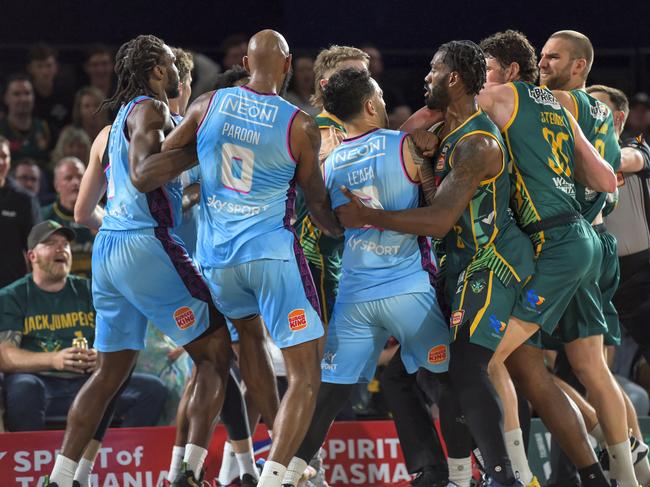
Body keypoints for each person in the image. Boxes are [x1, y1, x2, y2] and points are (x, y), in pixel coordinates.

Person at [334, 41, 537, 486]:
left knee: (463, 367)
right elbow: (410, 164)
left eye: (433, 69)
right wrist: (421, 154)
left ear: (454, 79)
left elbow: (441, 220)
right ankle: (440, 474)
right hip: (455, 264)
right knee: (402, 379)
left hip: (490, 260)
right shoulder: (448, 131)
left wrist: (369, 216)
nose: (425, 76)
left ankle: (504, 477)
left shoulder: (478, 143)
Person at [146, 29, 342, 487]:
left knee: (246, 342)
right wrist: (341, 226)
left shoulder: (206, 105)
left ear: (247, 60)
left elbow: (162, 163)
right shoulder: (299, 123)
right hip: (272, 258)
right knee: (306, 376)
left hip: (216, 262)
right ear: (289, 64)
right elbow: (316, 202)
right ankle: (278, 477)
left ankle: (208, 468)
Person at [45, 35, 232, 487]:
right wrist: (205, 148)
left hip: (109, 248)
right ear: (154, 71)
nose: (175, 70)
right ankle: (188, 472)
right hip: (145, 243)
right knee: (216, 351)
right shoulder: (152, 109)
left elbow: (89, 209)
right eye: (169, 64)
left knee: (110, 373)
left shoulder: (114, 125)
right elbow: (144, 174)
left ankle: (63, 476)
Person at [282, 67, 450, 486]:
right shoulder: (407, 147)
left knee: (330, 393)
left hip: (356, 295)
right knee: (447, 383)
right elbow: (437, 211)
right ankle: (468, 475)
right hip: (411, 289)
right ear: (373, 105)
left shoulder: (331, 162)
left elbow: (330, 225)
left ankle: (285, 475)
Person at [473, 30, 617, 486]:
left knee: (490, 360)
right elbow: (608, 178)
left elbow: (449, 104)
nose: (481, 79)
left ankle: (515, 473)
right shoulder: (562, 106)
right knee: (564, 369)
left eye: (486, 68)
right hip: (584, 238)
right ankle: (620, 469)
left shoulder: (504, 98)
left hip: (553, 244)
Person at [537, 30, 640, 485]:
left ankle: (610, 448)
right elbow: (615, 175)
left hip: (568, 243)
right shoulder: (600, 111)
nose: (543, 64)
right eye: (540, 56)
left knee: (520, 360)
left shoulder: (562, 103)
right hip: (595, 241)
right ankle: (629, 461)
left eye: (552, 57)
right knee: (587, 366)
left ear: (580, 65)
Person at [0, 219, 167, 432]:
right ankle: (33, 461)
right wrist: (54, 359)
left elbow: (116, 337)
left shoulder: (89, 290)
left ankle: (117, 455)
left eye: (65, 244)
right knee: (23, 388)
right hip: (41, 382)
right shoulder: (12, 296)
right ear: (32, 256)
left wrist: (100, 355)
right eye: (50, 243)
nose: (61, 248)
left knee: (151, 390)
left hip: (90, 382)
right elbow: (5, 355)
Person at [594, 84, 650, 485]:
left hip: (644, 274)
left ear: (616, 118)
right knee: (593, 371)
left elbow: (627, 158)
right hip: (598, 274)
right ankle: (626, 454)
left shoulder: (637, 150)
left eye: (594, 108)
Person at [293, 44, 369, 330]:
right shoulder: (321, 129)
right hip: (319, 255)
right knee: (325, 353)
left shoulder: (358, 130)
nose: (361, 83)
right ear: (325, 85)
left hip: (346, 256)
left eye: (364, 76)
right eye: (352, 75)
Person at [41, 157, 95, 277]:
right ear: (56, 185)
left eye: (80, 177)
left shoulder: (102, 216)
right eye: (68, 178)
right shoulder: (43, 217)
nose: (76, 182)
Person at [0, 136, 42, 289]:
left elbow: (37, 247)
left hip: (13, 288)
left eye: (4, 156)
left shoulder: (25, 200)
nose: (0, 162)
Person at [0, 74, 51, 166]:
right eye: (17, 94)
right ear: (6, 98)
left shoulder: (44, 127)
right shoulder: (2, 128)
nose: (23, 99)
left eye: (27, 93)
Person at [26, 43, 73, 140]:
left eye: (49, 66)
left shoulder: (66, 95)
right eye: (39, 66)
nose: (45, 72)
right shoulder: (24, 97)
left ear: (56, 68)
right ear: (30, 69)